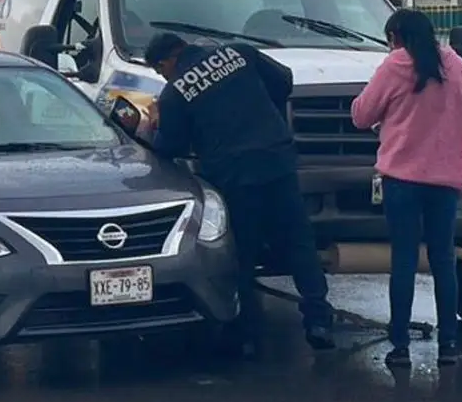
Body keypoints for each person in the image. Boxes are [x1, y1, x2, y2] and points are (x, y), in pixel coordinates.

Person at [141, 33, 336, 358]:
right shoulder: (240, 53)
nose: (164, 77)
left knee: (242, 254)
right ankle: (319, 321)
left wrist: (152, 127)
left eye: (160, 70)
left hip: (235, 176)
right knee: (300, 244)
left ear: (167, 61)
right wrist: (265, 116)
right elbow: (283, 81)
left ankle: (245, 333)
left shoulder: (175, 93)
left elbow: (170, 146)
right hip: (276, 161)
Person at [351, 9, 462, 368]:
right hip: (446, 181)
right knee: (443, 260)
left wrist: (392, 118)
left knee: (404, 260)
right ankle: (449, 345)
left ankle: (400, 347)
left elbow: (361, 115)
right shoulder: (456, 66)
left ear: (395, 37)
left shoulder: (395, 64)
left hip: (402, 181)